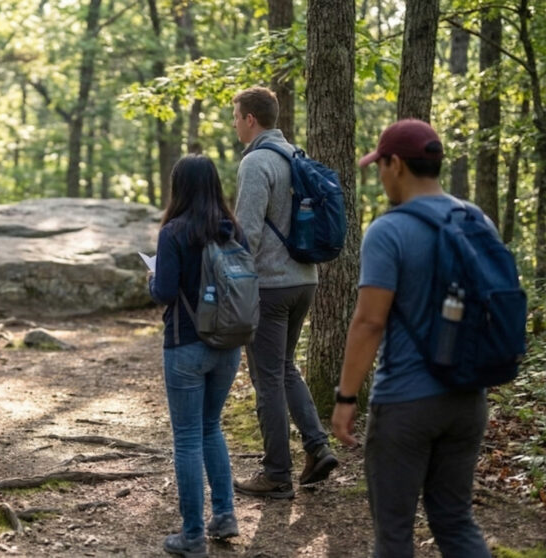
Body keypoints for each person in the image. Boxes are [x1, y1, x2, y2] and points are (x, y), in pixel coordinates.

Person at [332, 119, 492, 557]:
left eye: (379, 165)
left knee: (395, 533)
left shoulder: (390, 230)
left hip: (405, 403)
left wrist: (347, 398)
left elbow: (369, 322)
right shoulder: (477, 221)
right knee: (456, 521)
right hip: (467, 398)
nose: (380, 176)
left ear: (396, 163)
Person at [230, 86, 338, 499]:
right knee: (285, 368)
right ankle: (317, 447)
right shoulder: (297, 157)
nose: (235, 123)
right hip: (305, 280)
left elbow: (248, 234)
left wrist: (232, 283)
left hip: (271, 286)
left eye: (237, 116)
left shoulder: (257, 162)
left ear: (251, 120)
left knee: (268, 377)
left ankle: (276, 474)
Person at [149, 155, 244, 558]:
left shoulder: (174, 232)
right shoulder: (232, 228)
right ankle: (224, 515)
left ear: (179, 187)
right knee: (211, 428)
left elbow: (166, 293)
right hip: (229, 344)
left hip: (186, 345)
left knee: (187, 437)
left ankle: (192, 536)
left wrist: (152, 279)